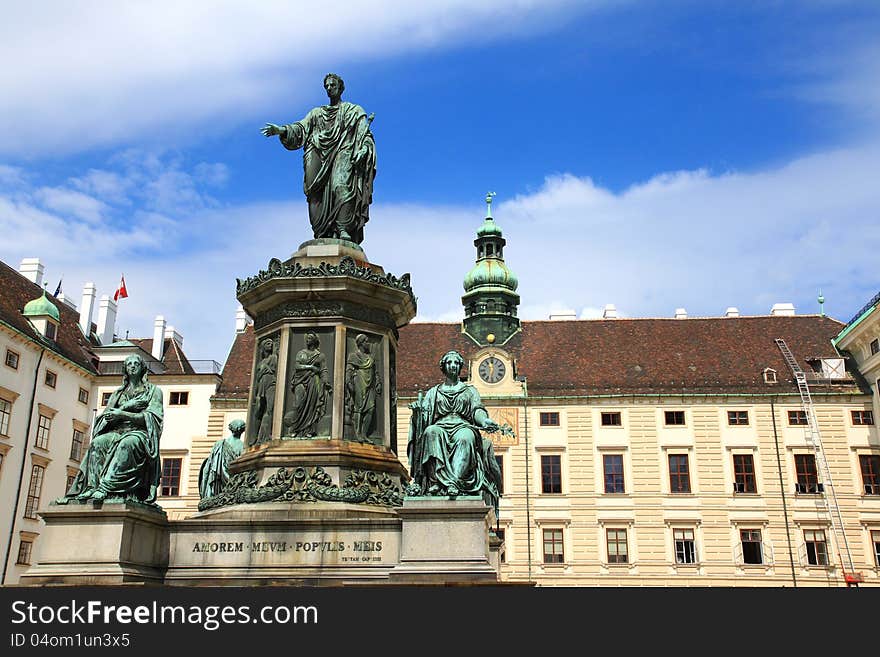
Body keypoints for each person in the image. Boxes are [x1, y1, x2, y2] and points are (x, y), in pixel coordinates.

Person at [262, 73, 376, 244]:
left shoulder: (354, 111)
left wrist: (363, 149)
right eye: (327, 86)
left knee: (341, 186)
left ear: (341, 88)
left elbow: (365, 135)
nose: (330, 89)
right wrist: (282, 130)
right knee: (315, 195)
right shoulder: (317, 113)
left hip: (343, 153)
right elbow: (301, 127)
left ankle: (342, 227)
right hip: (317, 153)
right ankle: (322, 231)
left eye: (333, 85)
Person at [407, 350, 504, 513]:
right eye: (449, 363)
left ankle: (454, 482)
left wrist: (484, 420)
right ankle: (438, 481)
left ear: (460, 368)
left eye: (456, 363)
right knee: (431, 432)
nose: (452, 366)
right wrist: (417, 413)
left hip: (463, 426)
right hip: (440, 427)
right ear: (443, 367)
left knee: (465, 438)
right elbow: (424, 419)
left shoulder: (470, 391)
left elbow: (476, 411)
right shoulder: (433, 392)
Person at [62, 354, 163, 504]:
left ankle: (105, 488)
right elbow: (106, 418)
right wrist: (124, 408)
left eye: (136, 363)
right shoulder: (118, 393)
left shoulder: (153, 391)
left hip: (139, 433)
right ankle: (92, 486)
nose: (133, 366)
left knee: (127, 444)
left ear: (143, 368)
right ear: (126, 369)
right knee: (97, 442)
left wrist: (122, 413)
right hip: (116, 432)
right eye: (129, 364)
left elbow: (152, 418)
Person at [285, 332, 331, 438]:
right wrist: (310, 367)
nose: (307, 340)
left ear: (314, 340)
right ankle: (295, 428)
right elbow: (297, 366)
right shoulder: (301, 353)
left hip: (313, 381)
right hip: (300, 381)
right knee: (298, 404)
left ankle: (309, 430)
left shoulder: (320, 356)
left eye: (310, 338)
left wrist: (326, 381)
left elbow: (324, 369)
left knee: (312, 405)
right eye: (307, 338)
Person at [346, 333, 381, 442]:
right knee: (359, 408)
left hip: (370, 384)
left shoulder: (370, 358)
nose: (368, 343)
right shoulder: (353, 356)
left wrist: (378, 383)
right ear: (361, 343)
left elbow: (375, 373)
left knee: (370, 408)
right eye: (366, 341)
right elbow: (349, 370)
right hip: (359, 381)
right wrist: (348, 382)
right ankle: (357, 433)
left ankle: (364, 434)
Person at [198, 419, 245, 499]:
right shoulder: (243, 446)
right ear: (242, 430)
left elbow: (208, 467)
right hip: (233, 481)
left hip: (218, 481)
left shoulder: (219, 444)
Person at [252, 337, 278, 445]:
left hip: (271, 383)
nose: (270, 345)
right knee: (258, 410)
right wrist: (255, 392)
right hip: (261, 386)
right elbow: (257, 378)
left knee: (269, 409)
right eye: (267, 343)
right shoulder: (260, 362)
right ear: (263, 347)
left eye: (271, 343)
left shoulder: (273, 357)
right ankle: (256, 437)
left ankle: (267, 435)